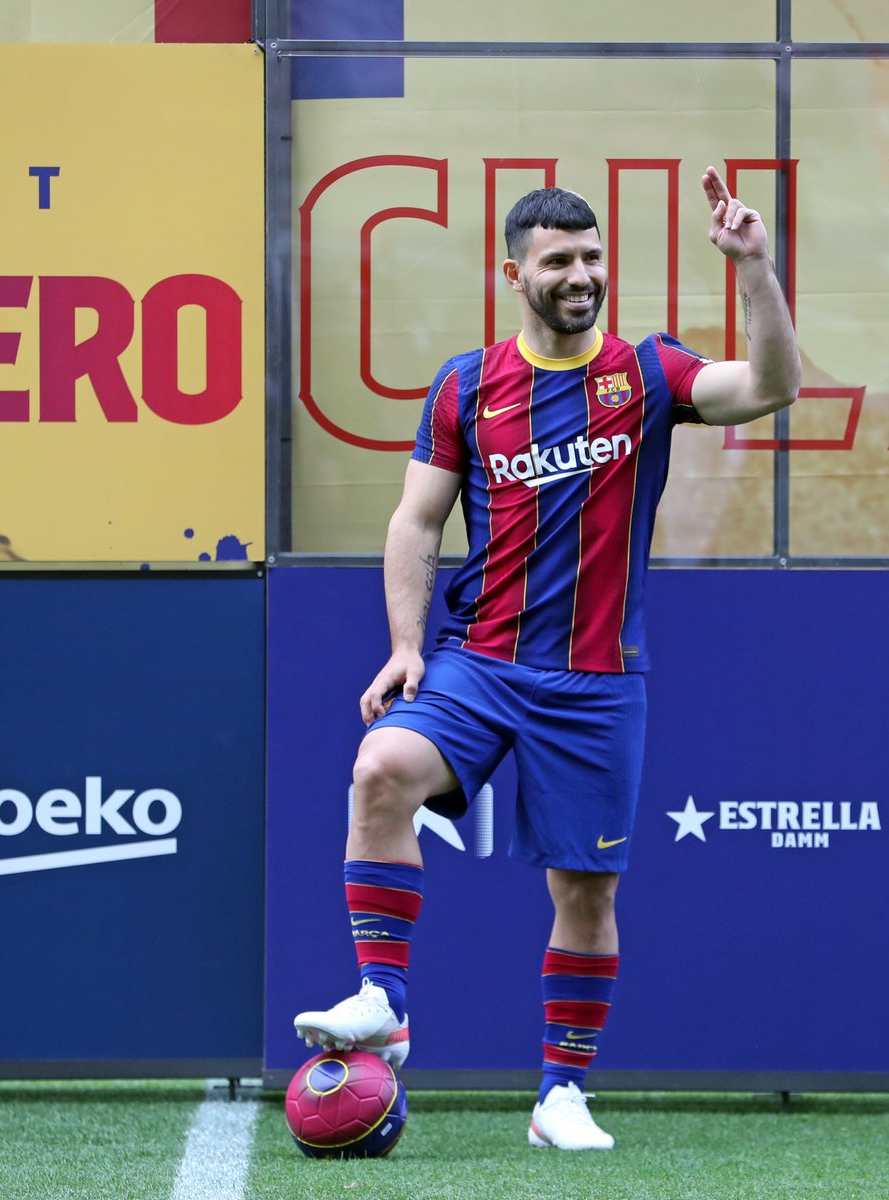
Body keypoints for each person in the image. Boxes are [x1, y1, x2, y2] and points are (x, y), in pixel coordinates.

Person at [294, 166, 801, 1150]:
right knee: (381, 769)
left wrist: (754, 269)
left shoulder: (648, 374)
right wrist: (405, 646)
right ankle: (384, 1001)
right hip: (481, 660)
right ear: (514, 273)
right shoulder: (468, 384)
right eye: (559, 260)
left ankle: (561, 1093)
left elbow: (771, 386)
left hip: (598, 678)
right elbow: (414, 520)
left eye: (593, 257)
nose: (581, 274)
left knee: (585, 891)